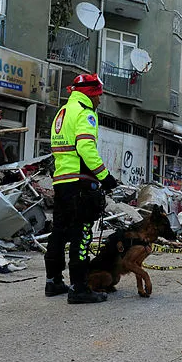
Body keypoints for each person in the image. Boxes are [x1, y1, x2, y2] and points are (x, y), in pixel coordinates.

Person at [45, 73, 119, 304]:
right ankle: (79, 288)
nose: (100, 100)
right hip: (81, 182)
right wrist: (105, 177)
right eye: (98, 95)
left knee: (59, 232)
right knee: (82, 234)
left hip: (62, 181)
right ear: (90, 94)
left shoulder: (63, 112)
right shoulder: (85, 113)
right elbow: (86, 148)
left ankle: (53, 281)